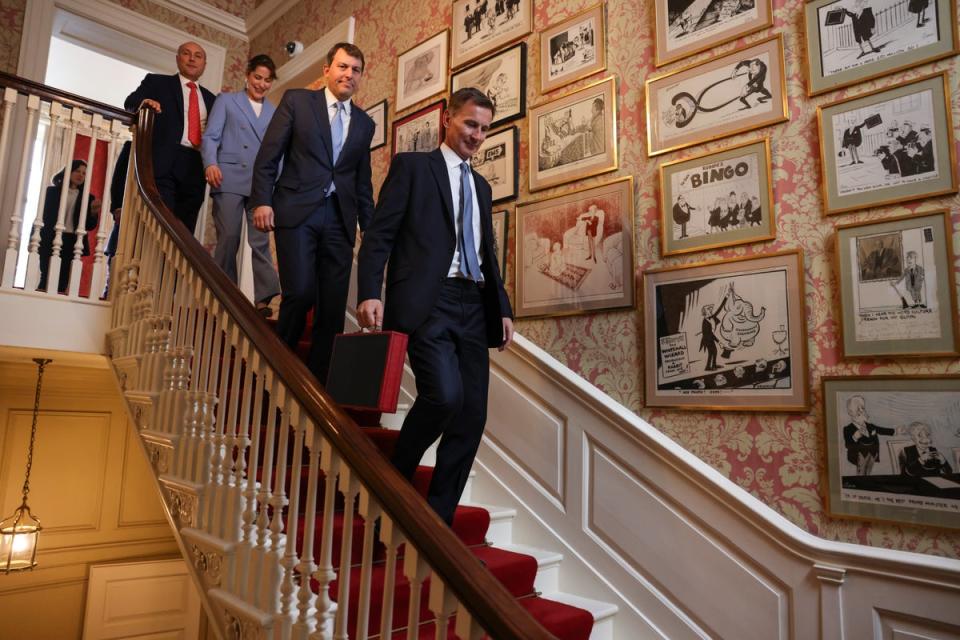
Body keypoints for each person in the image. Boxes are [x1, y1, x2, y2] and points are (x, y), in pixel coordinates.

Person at [356, 88, 514, 526]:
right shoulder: (412, 168)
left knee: (472, 415)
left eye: (484, 128)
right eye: (470, 124)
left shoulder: (481, 187)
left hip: (474, 304)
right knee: (443, 397)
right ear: (447, 118)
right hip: (429, 301)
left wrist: (501, 307)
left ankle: (438, 523)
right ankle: (392, 480)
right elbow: (380, 235)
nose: (477, 135)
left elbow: (487, 254)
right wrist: (370, 291)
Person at [250, 43, 375, 383]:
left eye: (356, 69)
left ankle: (318, 385)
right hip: (297, 213)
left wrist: (371, 230)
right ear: (327, 70)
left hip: (339, 220)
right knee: (301, 291)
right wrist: (262, 200)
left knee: (332, 308)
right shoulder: (297, 102)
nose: (349, 74)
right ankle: (276, 368)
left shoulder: (365, 124)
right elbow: (269, 155)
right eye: (343, 66)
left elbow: (362, 182)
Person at [201, 54, 281, 317]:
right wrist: (210, 163)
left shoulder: (274, 112)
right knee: (230, 236)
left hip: (259, 185)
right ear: (247, 75)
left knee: (260, 241)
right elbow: (211, 136)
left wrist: (275, 186)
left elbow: (276, 152)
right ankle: (225, 293)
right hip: (229, 177)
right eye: (257, 77)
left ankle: (264, 298)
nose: (261, 84)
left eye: (267, 80)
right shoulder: (227, 101)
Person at [124, 42, 216, 234]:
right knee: (159, 224)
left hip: (195, 167)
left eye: (198, 56)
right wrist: (144, 103)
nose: (192, 59)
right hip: (163, 163)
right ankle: (154, 264)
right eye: (186, 53)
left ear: (204, 64)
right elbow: (130, 102)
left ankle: (172, 266)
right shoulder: (157, 82)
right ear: (177, 58)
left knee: (184, 230)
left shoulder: (212, 99)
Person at [38, 160, 101, 293]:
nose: (80, 175)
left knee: (63, 279)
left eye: (84, 173)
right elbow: (42, 217)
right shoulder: (51, 192)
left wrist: (94, 213)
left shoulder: (88, 198)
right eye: (77, 171)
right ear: (69, 172)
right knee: (46, 276)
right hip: (51, 237)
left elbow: (89, 226)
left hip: (72, 240)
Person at [842, 395, 899, 475]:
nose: (861, 411)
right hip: (859, 454)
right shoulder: (848, 428)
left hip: (872, 453)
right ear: (850, 412)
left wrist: (895, 431)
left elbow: (881, 430)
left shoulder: (869, 425)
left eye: (863, 408)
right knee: (861, 472)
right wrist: (855, 437)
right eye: (858, 409)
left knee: (868, 471)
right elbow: (848, 445)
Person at [699, 298, 726, 372]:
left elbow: (720, 309)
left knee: (715, 351)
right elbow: (710, 334)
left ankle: (713, 365)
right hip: (707, 339)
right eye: (709, 310)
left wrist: (726, 297)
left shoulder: (711, 317)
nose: (711, 311)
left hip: (710, 338)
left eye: (711, 310)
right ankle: (708, 367)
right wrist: (719, 342)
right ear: (705, 313)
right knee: (711, 352)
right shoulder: (705, 322)